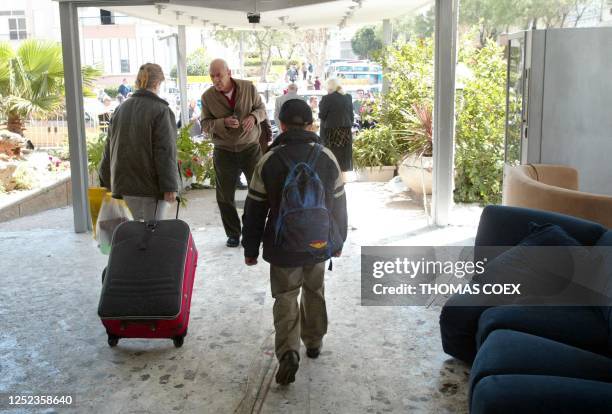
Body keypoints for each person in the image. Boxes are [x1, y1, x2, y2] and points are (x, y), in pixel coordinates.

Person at [242, 99, 348, 385]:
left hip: (283, 246)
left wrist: (250, 248)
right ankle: (313, 342)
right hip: (317, 243)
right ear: (311, 125)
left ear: (282, 124)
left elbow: (254, 210)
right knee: (315, 289)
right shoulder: (326, 157)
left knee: (286, 295)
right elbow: (339, 204)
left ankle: (289, 352)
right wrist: (338, 240)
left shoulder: (268, 160)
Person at [200, 58, 267, 248]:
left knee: (258, 192)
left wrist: (254, 118)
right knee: (224, 196)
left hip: (250, 148)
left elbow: (261, 109)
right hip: (224, 151)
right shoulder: (207, 97)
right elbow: (205, 125)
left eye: (219, 75)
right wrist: (223, 123)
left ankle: (254, 231)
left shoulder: (248, 88)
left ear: (229, 72)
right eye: (212, 76)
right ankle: (233, 233)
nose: (215, 80)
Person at [99, 63, 178, 221]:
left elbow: (109, 147)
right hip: (150, 187)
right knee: (153, 234)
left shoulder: (120, 109)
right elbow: (165, 151)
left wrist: (106, 180)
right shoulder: (161, 110)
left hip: (123, 185)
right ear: (157, 83)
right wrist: (169, 186)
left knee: (130, 234)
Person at [319, 79, 354, 172]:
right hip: (345, 132)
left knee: (332, 154)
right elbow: (351, 115)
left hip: (331, 131)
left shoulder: (327, 98)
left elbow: (322, 115)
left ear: (329, 86)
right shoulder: (348, 97)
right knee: (344, 154)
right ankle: (343, 175)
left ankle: (333, 176)